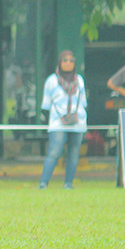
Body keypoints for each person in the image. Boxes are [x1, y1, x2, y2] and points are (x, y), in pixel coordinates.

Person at [39, 50, 88, 189]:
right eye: (65, 60)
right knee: (54, 152)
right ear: (59, 63)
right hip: (57, 123)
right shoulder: (52, 81)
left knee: (73, 154)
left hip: (77, 122)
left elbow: (84, 102)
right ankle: (44, 183)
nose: (68, 63)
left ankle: (68, 183)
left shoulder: (79, 80)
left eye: (71, 61)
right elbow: (46, 105)